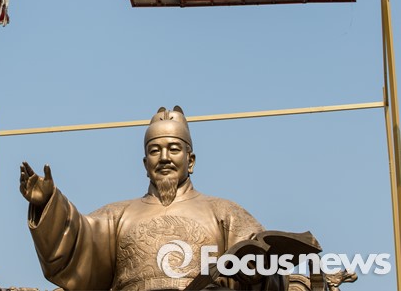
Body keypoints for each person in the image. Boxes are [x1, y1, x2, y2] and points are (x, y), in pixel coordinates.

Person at [19, 106, 294, 291]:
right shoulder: (118, 215)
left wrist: (266, 274)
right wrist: (48, 203)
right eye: (154, 151)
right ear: (145, 163)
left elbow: (265, 264)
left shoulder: (224, 213)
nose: (164, 158)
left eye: (173, 149)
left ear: (191, 161)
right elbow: (79, 238)